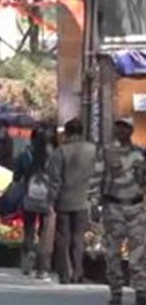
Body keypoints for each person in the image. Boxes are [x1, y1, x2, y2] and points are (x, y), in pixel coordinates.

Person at [94, 117, 146, 305]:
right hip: (113, 207)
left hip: (135, 207)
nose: (121, 131)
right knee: (113, 250)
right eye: (118, 128)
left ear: (131, 131)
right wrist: (93, 203)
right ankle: (116, 290)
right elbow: (96, 177)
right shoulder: (107, 153)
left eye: (125, 128)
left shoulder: (140, 153)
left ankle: (141, 289)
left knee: (139, 250)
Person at [48, 118, 99, 284]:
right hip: (83, 200)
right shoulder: (92, 150)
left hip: (64, 199)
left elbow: (54, 179)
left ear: (68, 133)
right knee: (78, 237)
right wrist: (93, 196)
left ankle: (65, 272)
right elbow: (97, 176)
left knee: (64, 237)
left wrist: (50, 200)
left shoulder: (60, 152)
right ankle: (78, 272)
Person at [14, 124, 57, 279]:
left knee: (29, 229)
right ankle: (42, 267)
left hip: (29, 198)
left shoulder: (25, 155)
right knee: (46, 232)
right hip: (48, 199)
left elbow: (16, 176)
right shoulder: (54, 157)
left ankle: (26, 262)